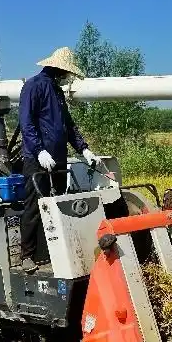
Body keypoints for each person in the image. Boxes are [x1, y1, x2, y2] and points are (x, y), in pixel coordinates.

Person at [18, 47, 100, 273]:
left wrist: (84, 149)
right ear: (58, 68)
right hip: (38, 159)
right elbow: (27, 124)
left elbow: (68, 126)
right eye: (66, 72)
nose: (67, 76)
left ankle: (52, 251)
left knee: (60, 205)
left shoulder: (57, 91)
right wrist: (39, 151)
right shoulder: (33, 86)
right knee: (36, 205)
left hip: (59, 159)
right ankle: (27, 255)